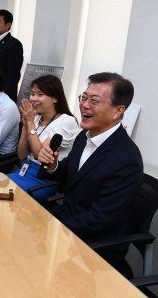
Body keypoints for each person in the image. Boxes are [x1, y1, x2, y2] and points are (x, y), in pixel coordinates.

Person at [38, 72, 143, 269]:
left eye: (94, 101)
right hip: (69, 224)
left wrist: (52, 227)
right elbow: (71, 173)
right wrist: (54, 166)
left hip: (94, 246)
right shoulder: (84, 137)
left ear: (117, 110)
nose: (85, 105)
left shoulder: (126, 160)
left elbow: (99, 220)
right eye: (84, 98)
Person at [6, 75, 79, 204]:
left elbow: (39, 155)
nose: (34, 99)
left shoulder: (67, 121)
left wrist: (31, 124)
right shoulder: (35, 118)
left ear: (55, 98)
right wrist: (25, 127)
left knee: (4, 192)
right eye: (32, 94)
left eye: (40, 94)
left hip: (43, 179)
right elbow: (22, 155)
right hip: (24, 171)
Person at [0, 9, 24, 102]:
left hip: (2, 96)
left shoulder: (14, 44)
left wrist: (5, 98)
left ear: (8, 25)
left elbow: (13, 76)